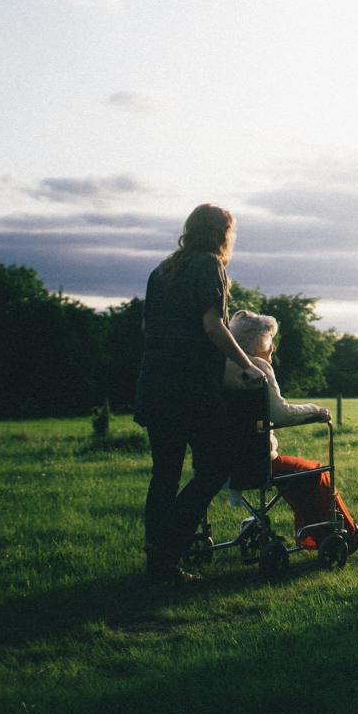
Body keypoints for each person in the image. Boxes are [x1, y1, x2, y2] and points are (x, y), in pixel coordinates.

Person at [134, 205, 264, 584]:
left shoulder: (162, 271)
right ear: (223, 233)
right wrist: (247, 364)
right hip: (189, 390)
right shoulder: (209, 266)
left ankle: (158, 561)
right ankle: (168, 547)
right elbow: (213, 326)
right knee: (214, 469)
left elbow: (148, 327)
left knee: (165, 474)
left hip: (155, 385)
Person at [224, 310, 358, 553]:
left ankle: (320, 535)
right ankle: (346, 534)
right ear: (256, 342)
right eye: (269, 340)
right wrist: (317, 411)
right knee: (315, 472)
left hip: (223, 461)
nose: (273, 347)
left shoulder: (222, 368)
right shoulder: (257, 368)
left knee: (299, 475)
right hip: (256, 462)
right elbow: (281, 414)